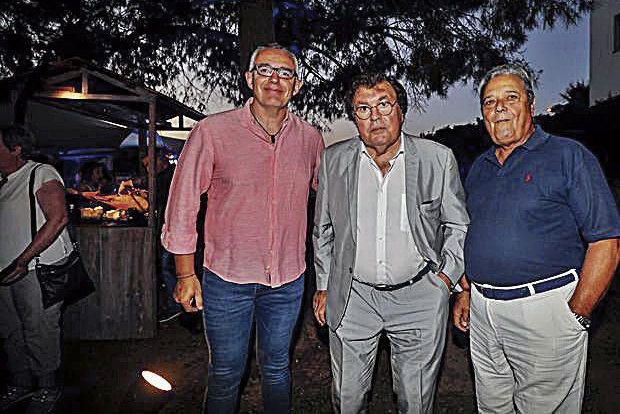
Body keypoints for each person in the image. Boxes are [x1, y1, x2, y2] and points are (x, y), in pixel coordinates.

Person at [452, 64, 620, 413]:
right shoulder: (479, 168)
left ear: (531, 105)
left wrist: (577, 314)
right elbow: (475, 233)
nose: (499, 107)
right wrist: (467, 292)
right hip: (484, 311)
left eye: (510, 97)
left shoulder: (567, 156)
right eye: (489, 101)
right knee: (491, 405)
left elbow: (608, 242)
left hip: (545, 310)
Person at [161, 43, 324, 413]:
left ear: (296, 86)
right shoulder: (213, 131)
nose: (275, 80)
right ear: (250, 79)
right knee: (226, 372)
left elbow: (329, 201)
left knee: (278, 368)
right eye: (265, 70)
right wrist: (185, 274)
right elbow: (183, 202)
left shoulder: (310, 140)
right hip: (226, 280)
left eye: (285, 73)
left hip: (287, 280)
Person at [312, 73, 469, 413]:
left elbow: (457, 223)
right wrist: (324, 285)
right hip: (353, 296)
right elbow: (323, 228)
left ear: (401, 111)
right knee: (347, 397)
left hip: (419, 295)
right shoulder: (334, 160)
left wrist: (444, 280)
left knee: (416, 399)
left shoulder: (437, 158)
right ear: (354, 118)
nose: (375, 116)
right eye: (363, 108)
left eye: (384, 104)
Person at [0, 125, 72, 413]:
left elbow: (58, 218)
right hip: (5, 270)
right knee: (10, 331)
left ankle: (46, 387)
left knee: (39, 330)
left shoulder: (40, 173)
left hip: (34, 268)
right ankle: (20, 383)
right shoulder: (3, 180)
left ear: (16, 148)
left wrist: (22, 260)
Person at [142, 149, 182, 323]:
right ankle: (176, 305)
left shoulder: (170, 177)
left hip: (175, 230)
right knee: (168, 268)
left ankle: (177, 306)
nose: (147, 168)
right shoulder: (166, 177)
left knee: (168, 268)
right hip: (171, 229)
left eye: (149, 163)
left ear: (160, 160)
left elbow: (162, 201)